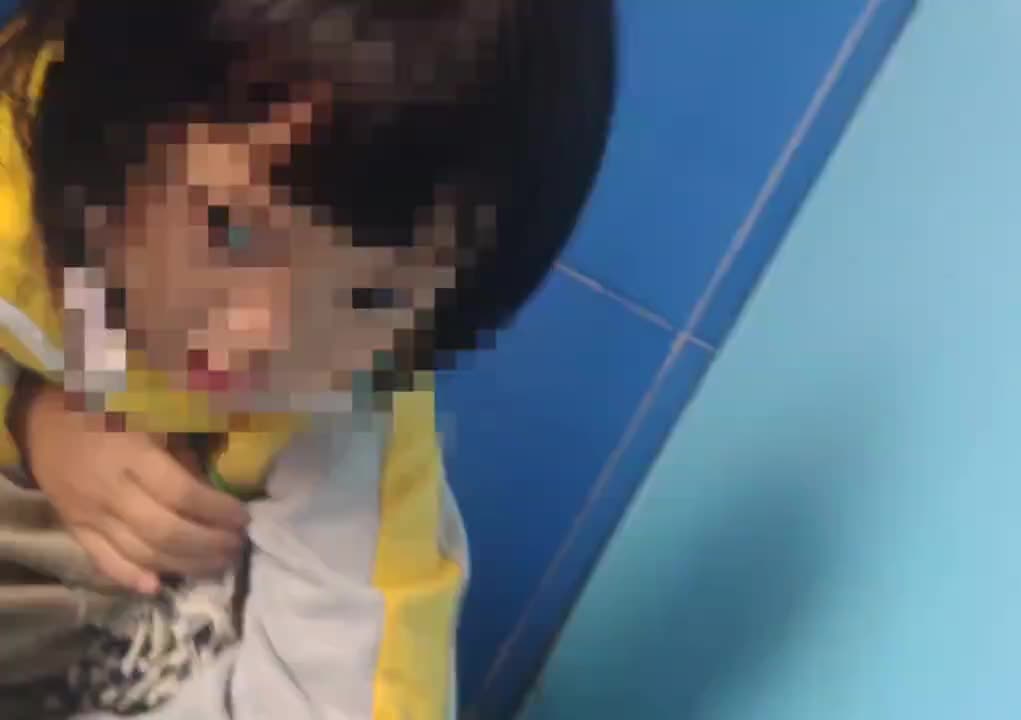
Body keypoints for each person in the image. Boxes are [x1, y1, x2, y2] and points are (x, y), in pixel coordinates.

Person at [0, 0, 616, 717]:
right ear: (115, 125)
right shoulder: (16, 192)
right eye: (230, 230)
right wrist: (33, 417)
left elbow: (369, 681)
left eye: (372, 296)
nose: (252, 341)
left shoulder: (352, 404)